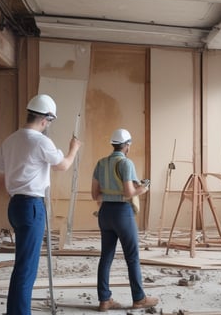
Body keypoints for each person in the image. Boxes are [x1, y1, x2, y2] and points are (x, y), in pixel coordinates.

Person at [0, 94, 82, 315]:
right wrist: (73, 149)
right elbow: (62, 165)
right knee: (27, 268)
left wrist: (16, 194)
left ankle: (14, 310)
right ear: (45, 120)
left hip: (15, 205)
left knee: (22, 264)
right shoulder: (41, 141)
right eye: (49, 123)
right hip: (31, 206)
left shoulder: (9, 141)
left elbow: (0, 180)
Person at [91, 128, 159, 312]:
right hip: (122, 213)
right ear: (127, 145)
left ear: (113, 144)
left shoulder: (101, 163)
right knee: (132, 257)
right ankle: (139, 299)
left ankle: (104, 300)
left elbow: (94, 195)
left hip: (105, 214)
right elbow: (129, 192)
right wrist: (143, 189)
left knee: (106, 257)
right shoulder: (126, 163)